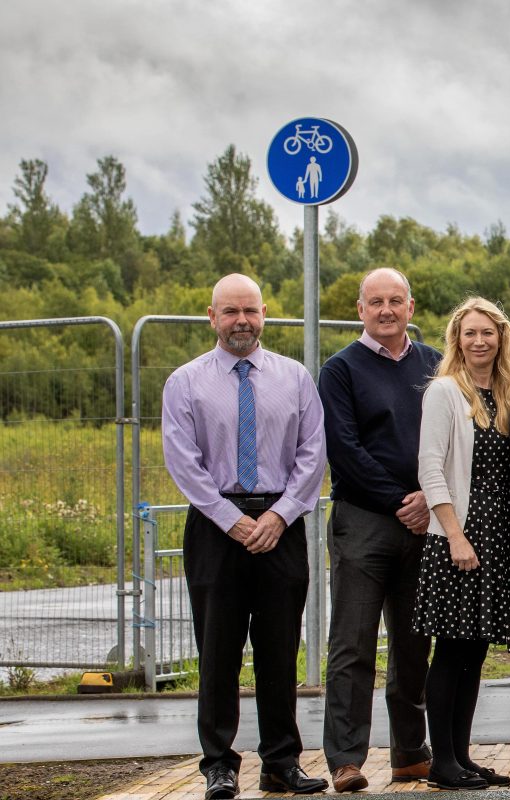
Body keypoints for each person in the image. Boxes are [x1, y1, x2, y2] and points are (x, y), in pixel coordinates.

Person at [161, 273, 329, 799]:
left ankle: (281, 762)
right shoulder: (185, 382)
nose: (241, 322)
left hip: (282, 524)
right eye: (230, 312)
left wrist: (280, 516)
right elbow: (183, 461)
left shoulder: (295, 377)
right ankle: (218, 764)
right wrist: (230, 520)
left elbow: (312, 454)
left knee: (280, 652)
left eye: (250, 311)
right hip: (216, 527)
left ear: (264, 314)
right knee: (218, 651)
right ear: (212, 317)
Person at [317, 268, 439, 793]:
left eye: (395, 301)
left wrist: (430, 501)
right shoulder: (340, 370)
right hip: (364, 523)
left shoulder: (435, 363)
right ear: (360, 309)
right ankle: (346, 758)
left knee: (415, 645)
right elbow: (343, 448)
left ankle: (411, 753)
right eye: (375, 302)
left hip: (427, 519)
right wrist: (400, 502)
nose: (386, 310)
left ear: (410, 307)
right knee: (353, 644)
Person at [414, 298, 510, 790]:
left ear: (501, 339)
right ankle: (442, 763)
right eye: (469, 333)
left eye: (488, 333)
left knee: (474, 653)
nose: (479, 341)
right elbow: (430, 467)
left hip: (499, 535)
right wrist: (454, 535)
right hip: (459, 537)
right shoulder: (444, 391)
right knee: (451, 651)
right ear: (456, 340)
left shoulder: (508, 394)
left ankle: (461, 756)